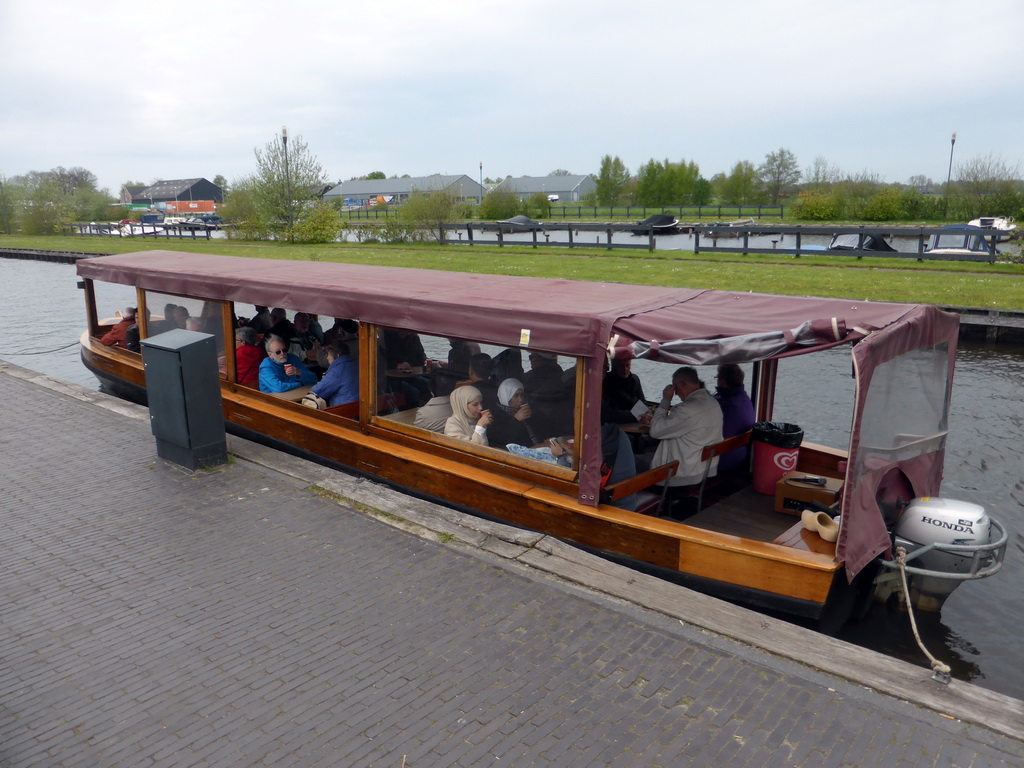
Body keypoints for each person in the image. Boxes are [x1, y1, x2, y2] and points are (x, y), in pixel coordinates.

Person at [649, 366, 723, 517]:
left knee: (634, 464)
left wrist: (665, 401)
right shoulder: (712, 402)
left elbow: (655, 431)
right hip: (704, 467)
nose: (675, 392)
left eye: (675, 387)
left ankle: (642, 511)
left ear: (683, 384)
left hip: (682, 472)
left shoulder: (686, 410)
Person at [714, 363, 755, 472]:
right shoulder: (744, 399)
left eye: (717, 378)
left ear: (723, 381)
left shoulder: (729, 406)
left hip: (723, 458)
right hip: (739, 454)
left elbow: (718, 436)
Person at [487, 378, 541, 450]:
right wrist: (516, 420)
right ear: (506, 396)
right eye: (516, 396)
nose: (520, 400)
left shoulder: (525, 410)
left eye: (522, 395)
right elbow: (502, 441)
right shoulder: (494, 415)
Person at [310, 337, 358, 407]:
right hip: (356, 408)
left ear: (337, 355)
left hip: (343, 411)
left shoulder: (337, 371)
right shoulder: (355, 364)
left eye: (329, 355)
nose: (327, 358)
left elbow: (317, 391)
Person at [602, 358, 650, 425]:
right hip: (615, 425)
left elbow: (643, 403)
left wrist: (645, 414)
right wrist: (634, 415)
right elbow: (607, 414)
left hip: (636, 423)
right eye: (621, 366)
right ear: (614, 366)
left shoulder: (635, 379)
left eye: (627, 365)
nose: (625, 369)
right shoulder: (606, 381)